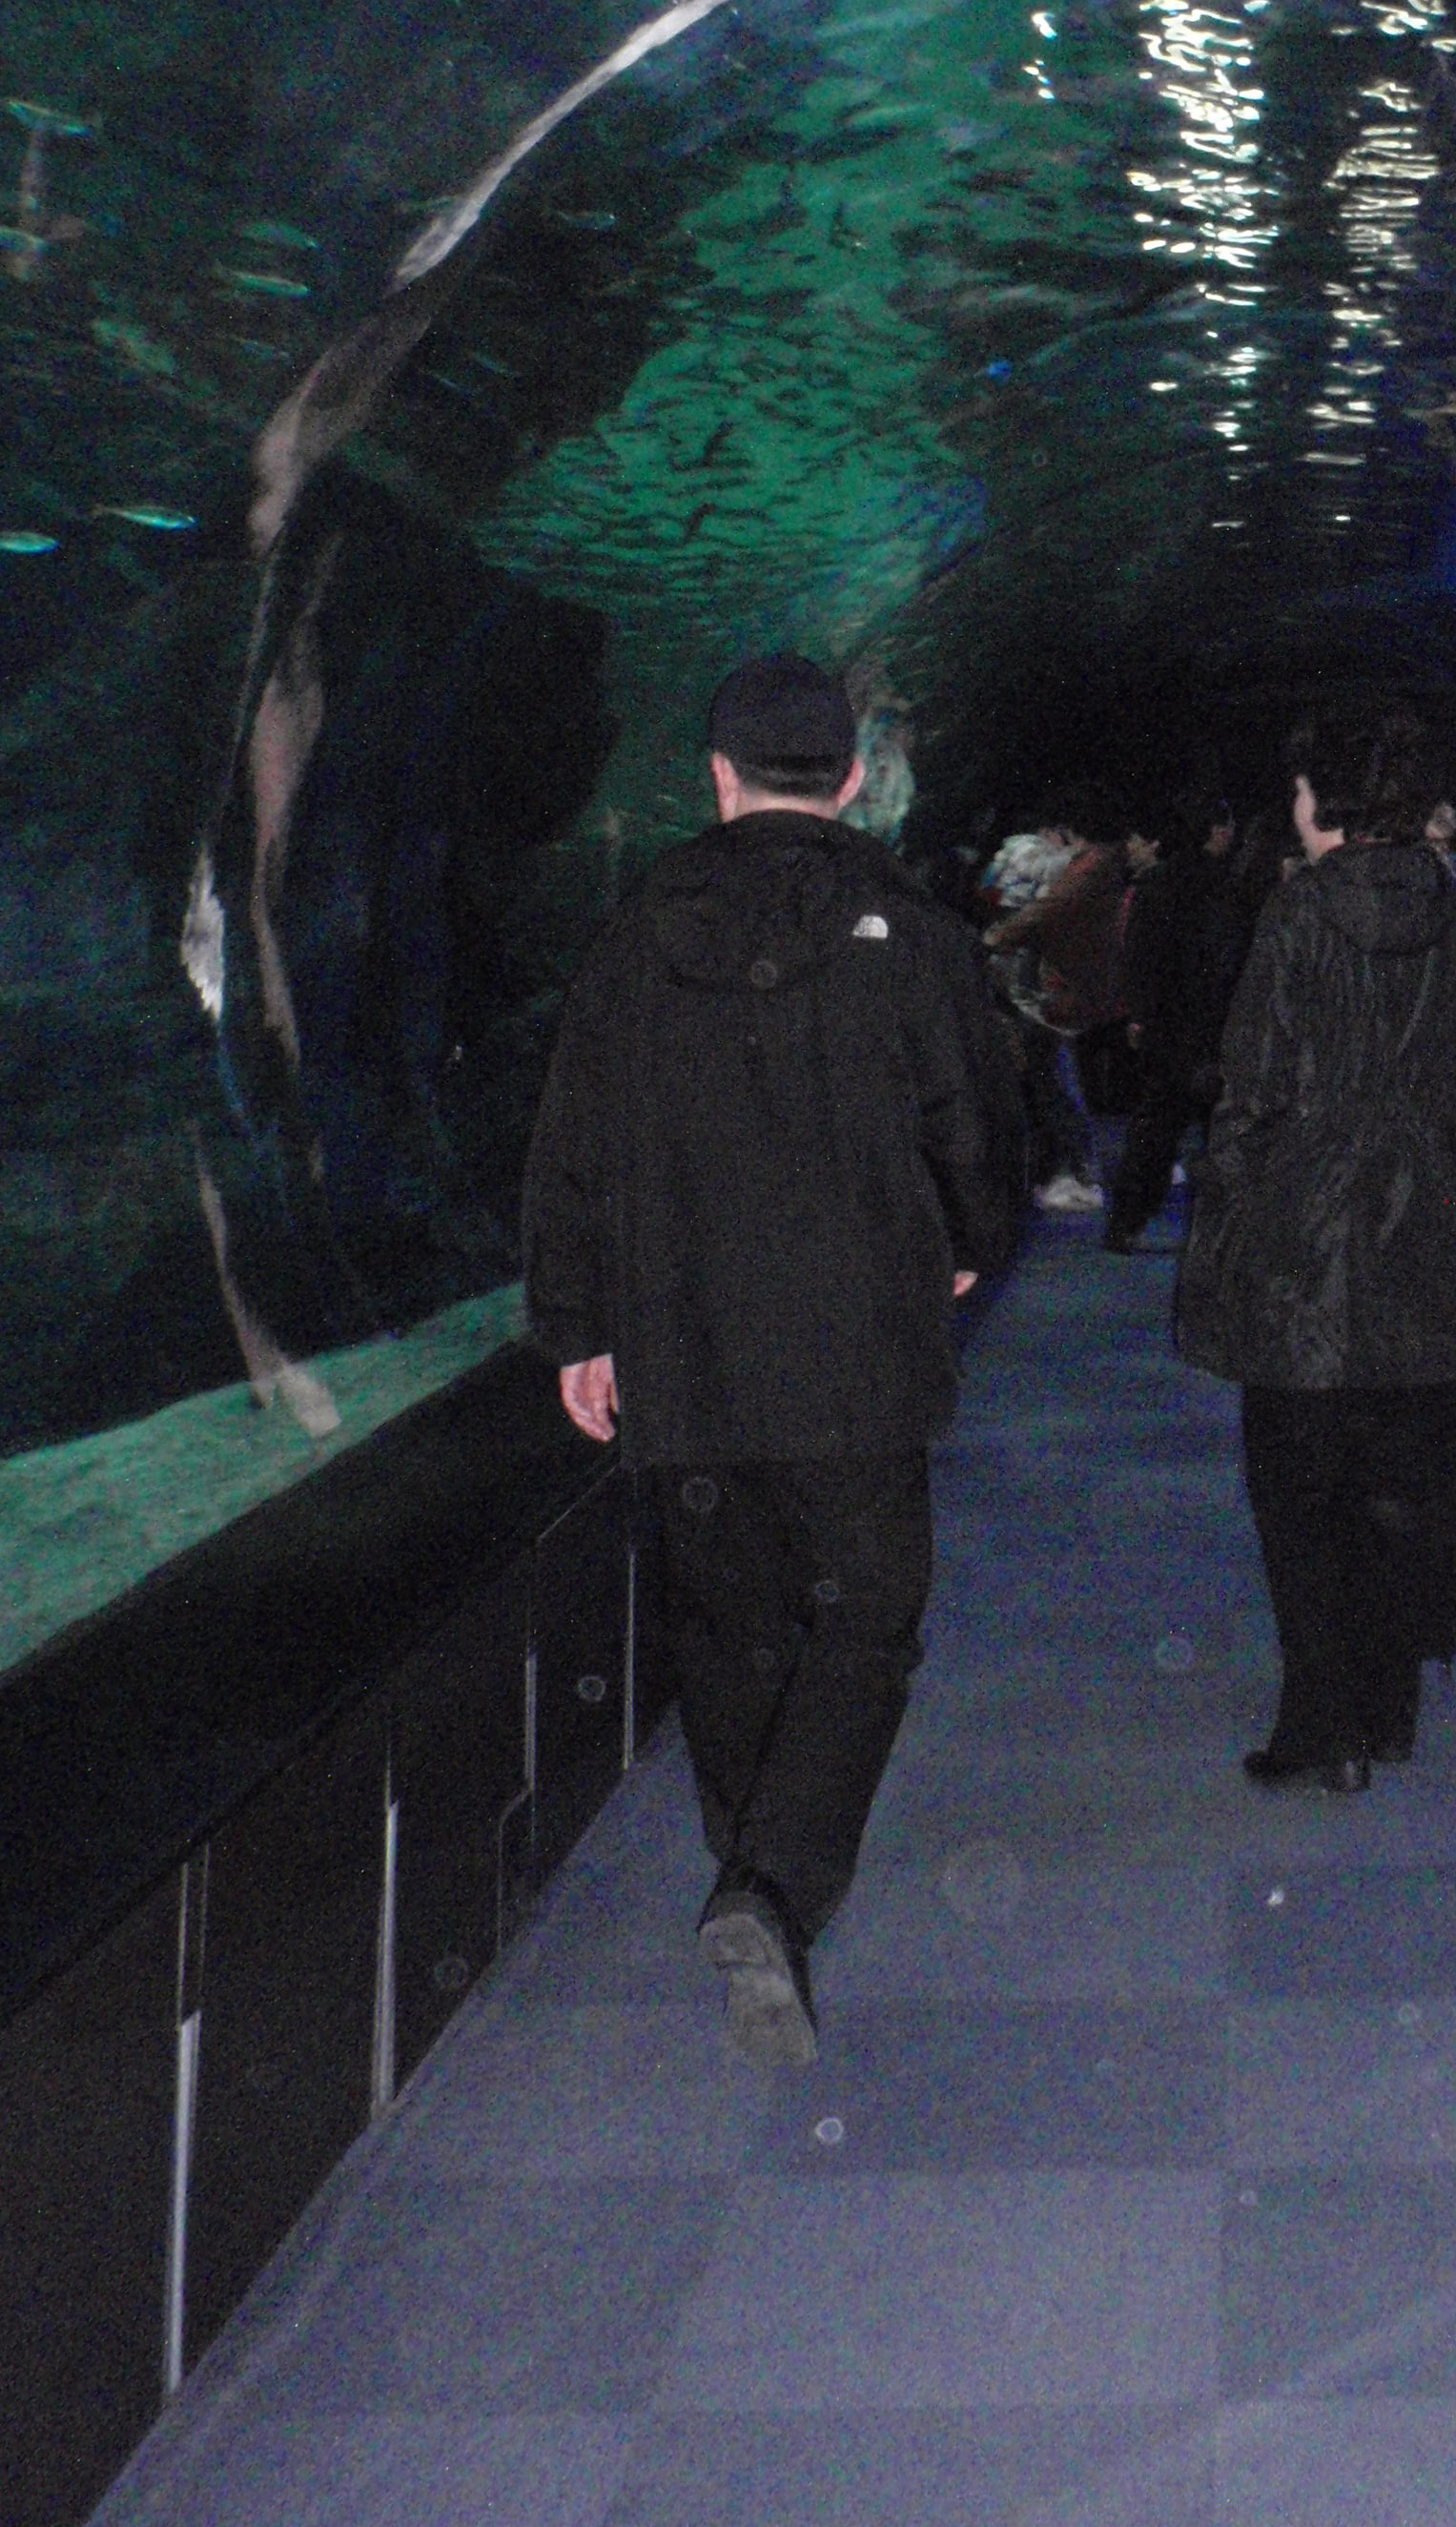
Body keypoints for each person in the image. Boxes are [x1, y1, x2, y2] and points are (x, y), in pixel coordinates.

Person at [523, 654, 1025, 2066]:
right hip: (855, 1337)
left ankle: (755, 1876)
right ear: (853, 777)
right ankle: (772, 1886)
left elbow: (571, 1140)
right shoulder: (911, 929)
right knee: (870, 1613)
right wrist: (969, 1236)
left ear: (717, 776)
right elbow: (970, 1117)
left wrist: (577, 1325)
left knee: (727, 1622)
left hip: (682, 1332)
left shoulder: (635, 932)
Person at [1175, 708, 1456, 1790]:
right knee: (1402, 1493)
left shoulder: (1297, 914)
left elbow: (1253, 1087)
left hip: (1305, 1238)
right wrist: (1435, 1164)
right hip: (1423, 1243)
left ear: (1331, 799)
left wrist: (1241, 1199)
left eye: (1302, 790)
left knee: (1299, 1498)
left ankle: (1320, 1725)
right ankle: (1388, 1709)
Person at [1104, 784, 1248, 1249]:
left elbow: (1137, 957)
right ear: (1214, 832)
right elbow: (1230, 961)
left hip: (1167, 1027)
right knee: (1223, 1136)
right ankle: (1228, 1233)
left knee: (1154, 1131)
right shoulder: (1228, 888)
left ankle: (1126, 1221)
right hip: (1215, 1027)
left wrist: (1141, 1015)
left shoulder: (1155, 887)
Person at [986, 788, 1123, 1212]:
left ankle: (1078, 1174)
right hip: (1060, 988)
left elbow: (1046, 910)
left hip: (1057, 990)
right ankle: (1065, 1171)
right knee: (1051, 1078)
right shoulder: (1092, 865)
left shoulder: (1088, 866)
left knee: (1053, 1080)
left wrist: (995, 937)